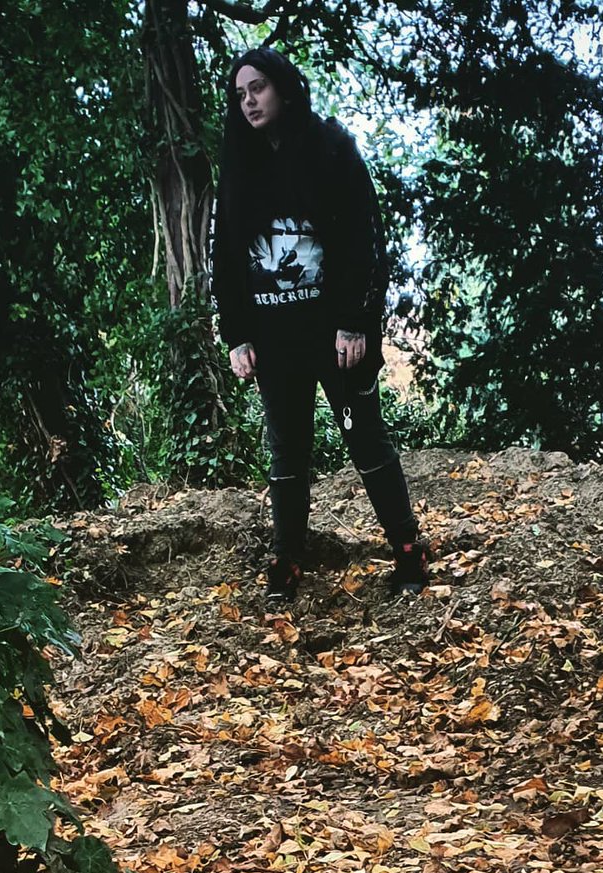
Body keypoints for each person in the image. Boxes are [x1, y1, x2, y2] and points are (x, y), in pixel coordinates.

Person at [211, 47, 428, 605]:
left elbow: (363, 239)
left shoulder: (330, 148)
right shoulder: (239, 162)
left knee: (364, 435)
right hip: (275, 339)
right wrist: (236, 333)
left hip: (335, 337)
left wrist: (355, 321)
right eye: (240, 94)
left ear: (282, 87)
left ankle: (407, 548)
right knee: (287, 449)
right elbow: (226, 255)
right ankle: (288, 559)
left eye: (257, 87)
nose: (249, 101)